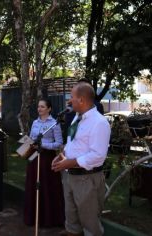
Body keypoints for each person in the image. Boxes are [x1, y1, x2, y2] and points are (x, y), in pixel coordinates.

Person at [52, 82, 111, 236]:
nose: (69, 101)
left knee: (90, 226)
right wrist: (61, 155)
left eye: (72, 97)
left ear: (82, 100)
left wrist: (69, 162)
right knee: (72, 223)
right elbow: (73, 143)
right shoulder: (77, 118)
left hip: (87, 180)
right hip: (70, 177)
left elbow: (98, 156)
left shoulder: (99, 122)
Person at [24, 98, 65, 227]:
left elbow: (59, 144)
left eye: (42, 107)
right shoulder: (35, 122)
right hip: (34, 157)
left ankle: (49, 219)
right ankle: (33, 217)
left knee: (47, 187)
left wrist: (43, 144)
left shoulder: (55, 123)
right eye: (38, 106)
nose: (39, 109)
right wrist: (26, 146)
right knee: (33, 185)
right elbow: (30, 138)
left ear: (49, 109)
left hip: (47, 159)